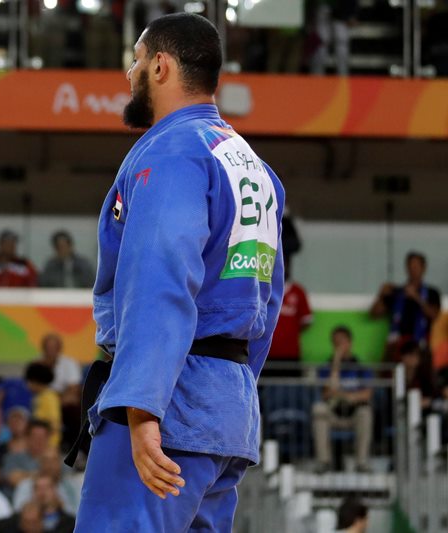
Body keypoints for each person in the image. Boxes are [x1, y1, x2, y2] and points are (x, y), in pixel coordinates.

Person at [71, 13, 284, 532]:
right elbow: (268, 296)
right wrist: (232, 390)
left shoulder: (172, 152)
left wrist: (142, 408)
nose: (130, 73)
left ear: (161, 66)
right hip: (225, 410)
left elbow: (158, 282)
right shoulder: (249, 164)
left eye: (137, 61)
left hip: (168, 406)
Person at [311, 326, 373, 473]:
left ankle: (361, 463)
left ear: (350, 343)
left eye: (342, 342)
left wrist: (341, 394)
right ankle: (324, 462)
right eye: (335, 343)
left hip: (354, 413)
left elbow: (366, 395)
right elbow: (326, 394)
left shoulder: (361, 368)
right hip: (333, 413)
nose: (338, 346)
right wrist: (336, 361)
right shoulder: (326, 368)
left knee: (365, 412)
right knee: (318, 409)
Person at [370, 251, 442, 360]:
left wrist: (417, 297)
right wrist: (381, 294)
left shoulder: (432, 292)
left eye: (416, 266)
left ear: (424, 268)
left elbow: (434, 316)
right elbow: (374, 314)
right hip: (397, 346)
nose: (413, 269)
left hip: (420, 346)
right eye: (410, 266)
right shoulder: (397, 291)